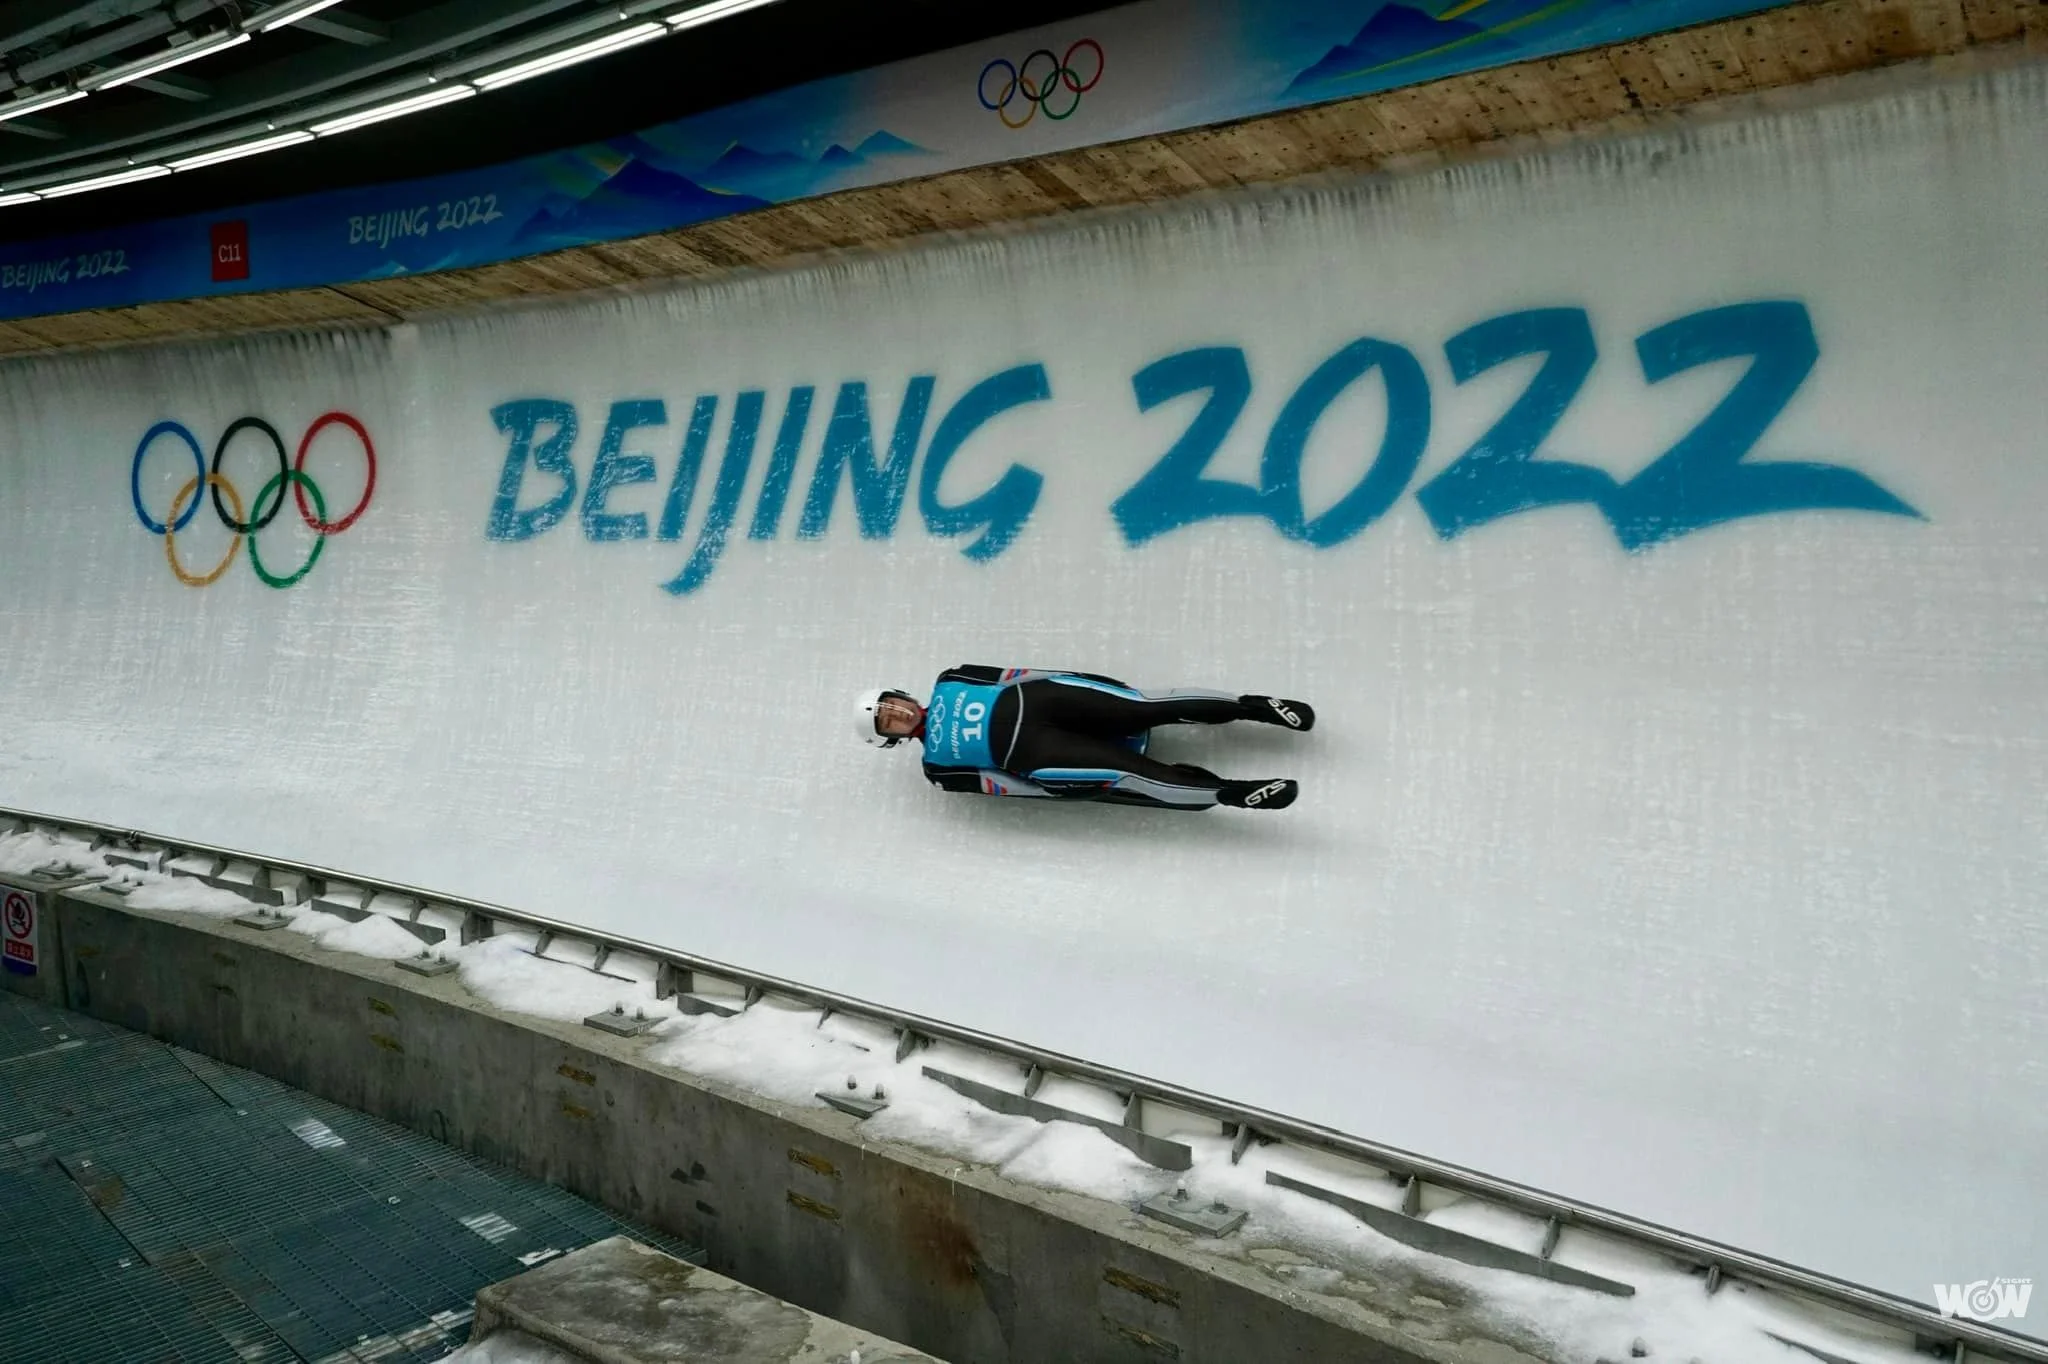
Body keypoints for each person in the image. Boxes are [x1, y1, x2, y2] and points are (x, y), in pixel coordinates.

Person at [854, 665, 1312, 811]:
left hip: (1046, 701)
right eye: (889, 722)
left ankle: (1252, 707)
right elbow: (998, 784)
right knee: (1130, 773)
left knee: (1144, 706)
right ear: (891, 739)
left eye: (893, 704)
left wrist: (1080, 679)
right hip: (1040, 753)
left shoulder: (951, 678)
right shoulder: (938, 769)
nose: (899, 714)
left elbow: (1015, 674)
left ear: (902, 694)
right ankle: (1231, 793)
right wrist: (1055, 790)